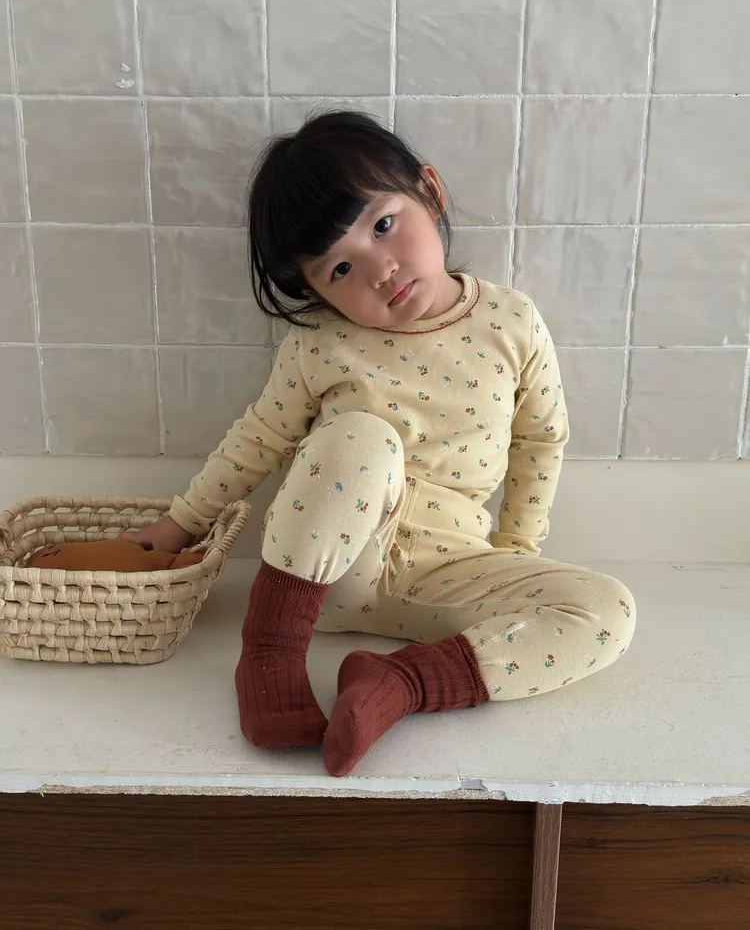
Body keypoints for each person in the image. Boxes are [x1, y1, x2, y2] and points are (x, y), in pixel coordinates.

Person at [120, 110, 635, 777]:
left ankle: (402, 682)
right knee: (363, 436)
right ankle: (270, 651)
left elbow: (541, 439)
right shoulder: (322, 343)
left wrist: (516, 549)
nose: (381, 270)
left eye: (384, 225)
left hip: (454, 574)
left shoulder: (511, 322)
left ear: (431, 191)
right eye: (340, 268)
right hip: (332, 579)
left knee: (609, 610)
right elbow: (258, 439)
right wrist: (179, 525)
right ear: (311, 290)